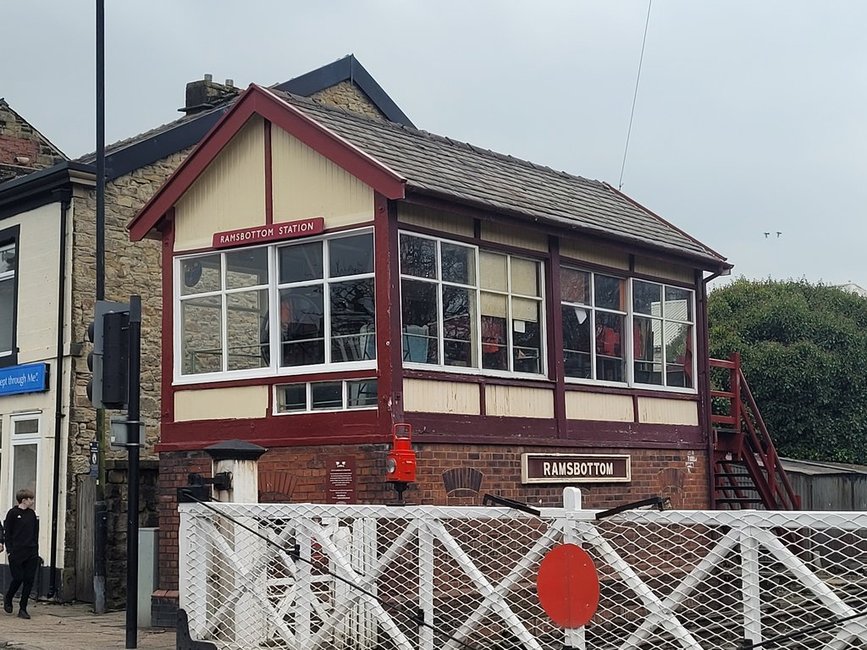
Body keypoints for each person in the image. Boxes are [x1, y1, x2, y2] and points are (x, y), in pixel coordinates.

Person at [3, 489, 39, 619]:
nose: (33, 501)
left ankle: (23, 608)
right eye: (31, 499)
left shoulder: (32, 514)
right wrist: (10, 551)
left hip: (31, 551)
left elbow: (35, 533)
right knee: (18, 578)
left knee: (29, 580)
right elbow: (8, 533)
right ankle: (9, 597)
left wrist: (35, 550)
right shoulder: (12, 513)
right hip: (17, 552)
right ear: (24, 500)